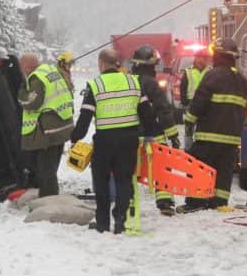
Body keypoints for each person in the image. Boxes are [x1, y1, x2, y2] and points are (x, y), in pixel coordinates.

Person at [70, 48, 156, 234]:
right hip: (128, 140)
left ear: (101, 64)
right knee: (124, 180)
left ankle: (102, 224)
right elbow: (147, 113)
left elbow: (85, 117)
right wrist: (150, 135)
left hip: (104, 141)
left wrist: (75, 138)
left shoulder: (95, 85)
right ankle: (120, 222)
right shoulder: (133, 82)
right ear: (117, 63)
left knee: (101, 182)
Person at [180, 37, 247, 212]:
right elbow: (246, 108)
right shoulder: (242, 80)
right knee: (224, 172)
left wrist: (189, 120)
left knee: (199, 167)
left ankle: (195, 203)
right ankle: (219, 203)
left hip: (208, 136)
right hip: (232, 139)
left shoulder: (212, 75)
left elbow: (199, 102)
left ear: (218, 55)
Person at [129, 45, 181, 216]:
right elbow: (163, 110)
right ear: (148, 65)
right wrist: (173, 135)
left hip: (131, 134)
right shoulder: (152, 84)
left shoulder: (127, 81)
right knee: (162, 168)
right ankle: (165, 203)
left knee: (131, 171)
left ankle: (129, 203)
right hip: (153, 134)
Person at [18, 53, 74, 197]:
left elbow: (31, 102)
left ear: (28, 66)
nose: (22, 71)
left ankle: (49, 201)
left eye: (22, 67)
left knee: (46, 170)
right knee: (50, 167)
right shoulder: (51, 71)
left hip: (47, 132)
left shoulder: (37, 78)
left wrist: (22, 92)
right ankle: (49, 196)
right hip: (61, 127)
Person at [179, 50, 210, 148]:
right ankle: (188, 150)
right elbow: (183, 88)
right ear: (195, 59)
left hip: (206, 105)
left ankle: (202, 148)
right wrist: (184, 103)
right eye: (199, 58)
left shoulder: (210, 71)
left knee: (204, 129)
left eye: (204, 58)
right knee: (189, 129)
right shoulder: (188, 71)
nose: (201, 61)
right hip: (191, 104)